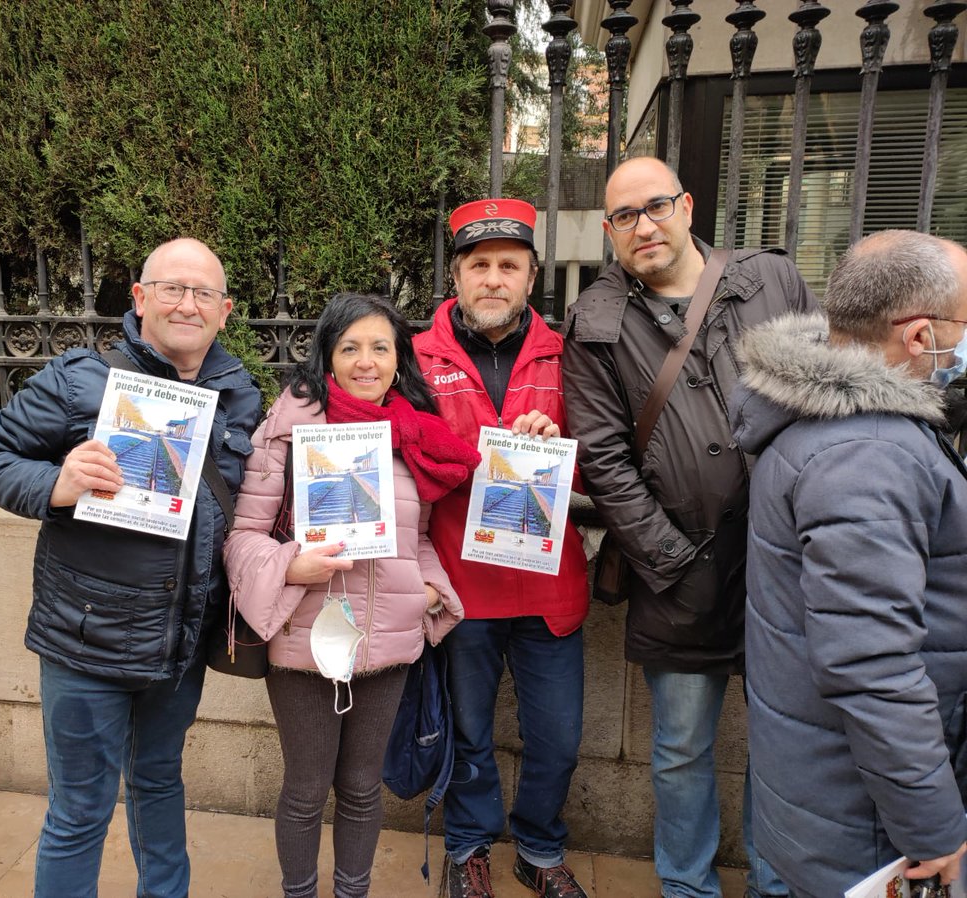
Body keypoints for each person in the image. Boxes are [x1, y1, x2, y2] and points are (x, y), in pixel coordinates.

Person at [0, 238, 261, 898]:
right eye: (173, 288)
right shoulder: (79, 379)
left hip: (176, 648)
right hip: (85, 643)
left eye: (204, 293)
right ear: (141, 298)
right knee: (79, 813)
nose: (188, 304)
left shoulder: (239, 395)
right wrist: (58, 484)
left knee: (159, 790)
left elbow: (251, 505)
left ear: (225, 310)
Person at [561, 156, 816, 898]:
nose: (643, 226)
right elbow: (603, 457)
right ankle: (688, 887)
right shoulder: (596, 322)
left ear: (687, 205)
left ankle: (777, 883)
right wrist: (668, 557)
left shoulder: (770, 280)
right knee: (678, 748)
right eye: (624, 217)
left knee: (783, 745)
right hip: (679, 570)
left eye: (655, 206)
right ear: (609, 232)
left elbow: (823, 394)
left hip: (784, 560)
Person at [731, 230, 967, 898]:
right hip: (870, 826)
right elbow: (872, 665)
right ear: (919, 337)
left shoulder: (839, 426)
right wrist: (935, 828)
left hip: (834, 797)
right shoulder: (867, 453)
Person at [223, 292, 475, 898]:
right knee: (306, 789)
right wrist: (290, 565)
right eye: (350, 347)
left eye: (380, 348)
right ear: (328, 357)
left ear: (398, 358)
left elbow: (414, 542)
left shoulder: (412, 436)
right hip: (306, 640)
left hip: (387, 639)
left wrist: (431, 587)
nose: (367, 362)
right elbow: (242, 540)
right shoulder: (285, 433)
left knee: (363, 788)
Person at [413, 199, 591, 898]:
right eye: (479, 265)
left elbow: (605, 459)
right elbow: (402, 462)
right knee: (468, 732)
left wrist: (559, 452)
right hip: (460, 584)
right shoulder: (418, 357)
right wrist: (457, 456)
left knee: (558, 738)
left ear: (531, 275)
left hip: (551, 588)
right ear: (457, 274)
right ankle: (468, 847)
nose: (493, 279)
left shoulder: (569, 354)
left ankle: (540, 849)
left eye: (508, 266)